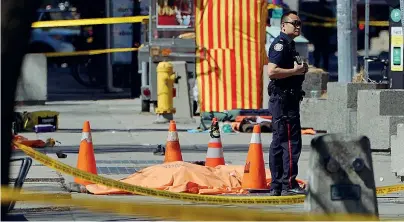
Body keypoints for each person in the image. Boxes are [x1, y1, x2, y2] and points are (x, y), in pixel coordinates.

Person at [267, 10, 308, 196]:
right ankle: (288, 183)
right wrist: (295, 71)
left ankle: (277, 185)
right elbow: (272, 71)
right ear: (284, 25)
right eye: (294, 23)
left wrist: (299, 70)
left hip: (284, 99)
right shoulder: (280, 45)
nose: (298, 26)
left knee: (279, 142)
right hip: (284, 101)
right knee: (290, 143)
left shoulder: (289, 45)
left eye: (300, 23)